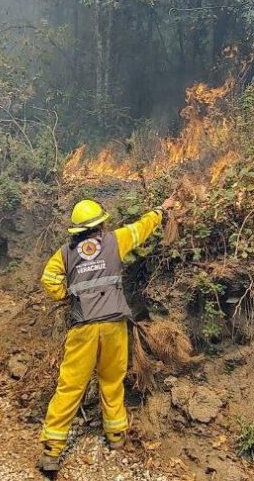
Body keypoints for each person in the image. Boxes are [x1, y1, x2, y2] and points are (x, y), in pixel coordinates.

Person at [36, 197, 175, 472]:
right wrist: (161, 211)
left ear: (76, 229)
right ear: (101, 223)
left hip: (84, 327)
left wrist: (67, 295)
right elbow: (141, 228)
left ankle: (52, 450)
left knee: (71, 386)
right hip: (113, 325)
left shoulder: (65, 252)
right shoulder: (114, 241)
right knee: (112, 380)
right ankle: (115, 437)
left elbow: (48, 279)